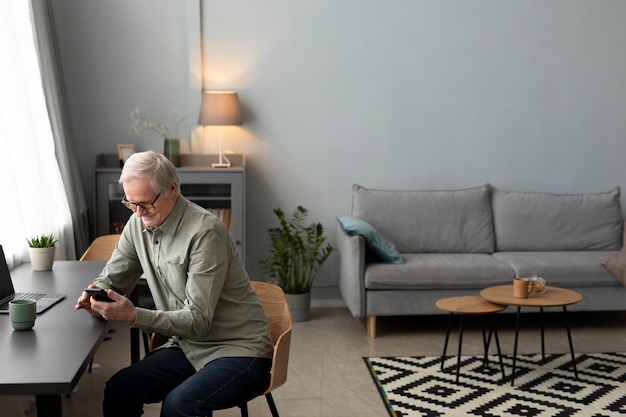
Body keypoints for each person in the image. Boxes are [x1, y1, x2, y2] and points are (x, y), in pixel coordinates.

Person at [76, 151, 273, 417]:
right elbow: (114, 276)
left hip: (239, 349)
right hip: (189, 345)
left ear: (172, 188)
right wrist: (96, 295)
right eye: (130, 203)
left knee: (180, 405)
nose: (138, 212)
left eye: (146, 203)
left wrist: (134, 315)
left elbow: (199, 319)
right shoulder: (137, 222)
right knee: (120, 388)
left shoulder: (206, 233)